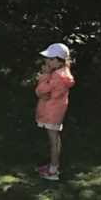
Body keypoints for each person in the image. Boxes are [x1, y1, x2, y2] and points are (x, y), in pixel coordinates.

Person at [35, 42, 75, 180]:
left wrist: (45, 75)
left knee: (53, 141)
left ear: (60, 61)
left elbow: (41, 90)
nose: (47, 61)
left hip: (52, 113)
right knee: (54, 139)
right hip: (53, 111)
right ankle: (52, 165)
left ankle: (53, 171)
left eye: (51, 59)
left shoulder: (56, 77)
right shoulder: (61, 73)